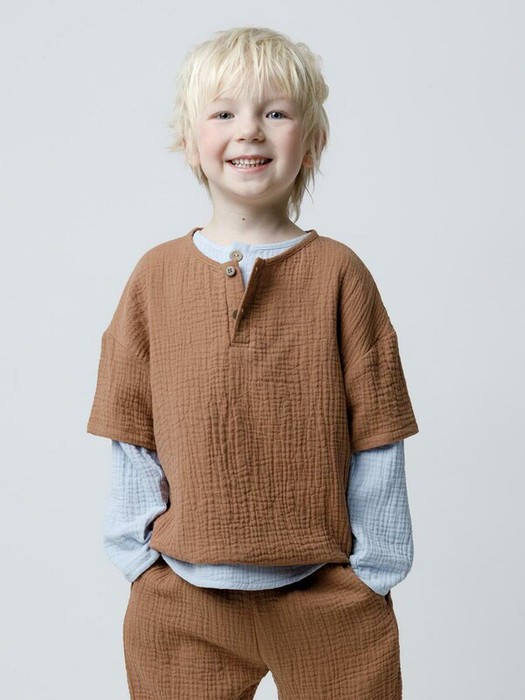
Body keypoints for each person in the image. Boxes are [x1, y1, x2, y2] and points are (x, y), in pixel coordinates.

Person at [87, 26, 419, 699]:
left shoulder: (339, 274)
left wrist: (375, 572)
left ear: (311, 141)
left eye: (275, 112)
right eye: (222, 113)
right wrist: (137, 559)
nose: (249, 130)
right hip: (183, 598)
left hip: (326, 595)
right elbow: (130, 428)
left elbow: (378, 429)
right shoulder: (155, 277)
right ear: (190, 141)